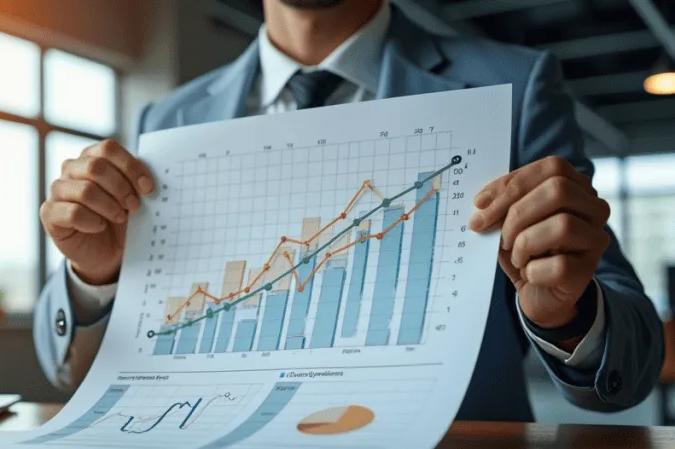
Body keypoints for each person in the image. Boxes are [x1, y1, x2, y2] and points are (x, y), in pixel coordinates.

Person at [33, 0, 665, 421]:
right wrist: (96, 281)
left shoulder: (517, 87)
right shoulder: (166, 120)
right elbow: (66, 375)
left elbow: (632, 363)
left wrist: (567, 313)